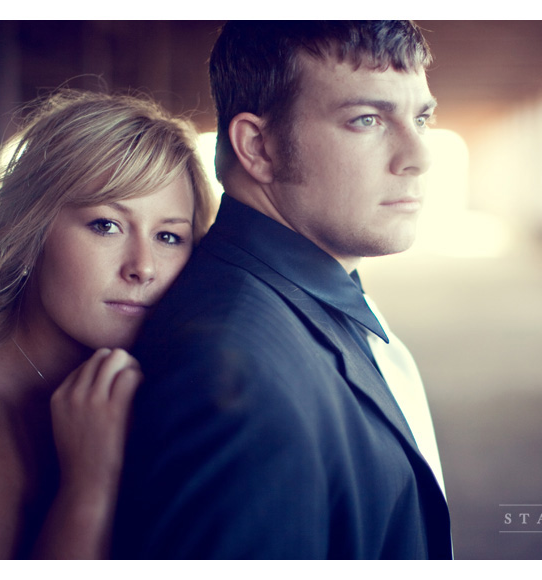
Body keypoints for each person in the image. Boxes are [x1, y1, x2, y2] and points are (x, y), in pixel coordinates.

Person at [113, 21, 452, 559]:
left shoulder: (312, 294)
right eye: (367, 119)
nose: (419, 157)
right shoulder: (232, 373)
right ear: (260, 146)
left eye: (421, 118)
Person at [0, 90, 216, 559]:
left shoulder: (150, 389)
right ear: (31, 233)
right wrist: (90, 488)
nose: (143, 267)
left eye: (168, 236)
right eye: (106, 225)